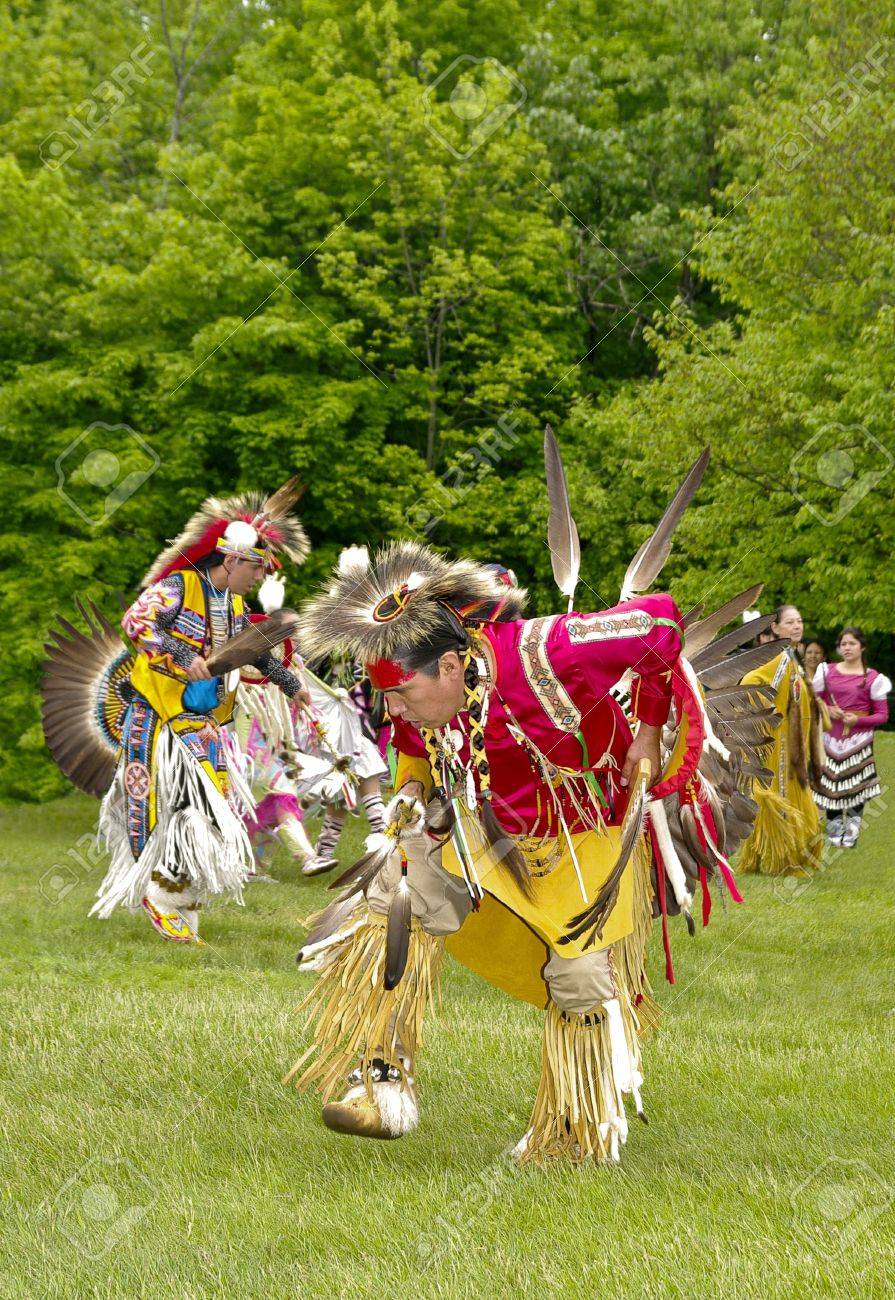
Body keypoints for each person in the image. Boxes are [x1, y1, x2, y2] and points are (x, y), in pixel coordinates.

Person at [286, 489, 775, 1166]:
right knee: (389, 903)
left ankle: (577, 1130)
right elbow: (409, 740)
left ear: (453, 665)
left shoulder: (549, 653)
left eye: (403, 691)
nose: (394, 707)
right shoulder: (417, 694)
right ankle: (381, 1082)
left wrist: (651, 728)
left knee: (577, 977)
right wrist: (404, 795)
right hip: (480, 820)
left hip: (583, 833)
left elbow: (659, 623)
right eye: (385, 695)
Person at [43, 482, 310, 942]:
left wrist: (291, 685)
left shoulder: (235, 605)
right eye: (255, 569)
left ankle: (181, 899)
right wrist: (180, 657)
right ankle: (159, 891)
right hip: (156, 716)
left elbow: (253, 652)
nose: (259, 578)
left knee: (213, 807)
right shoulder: (179, 586)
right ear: (231, 560)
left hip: (202, 720)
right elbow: (136, 621)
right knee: (160, 804)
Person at [737, 604, 824, 877]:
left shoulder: (791, 657)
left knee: (790, 791)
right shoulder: (776, 657)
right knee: (780, 792)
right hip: (778, 742)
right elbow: (752, 681)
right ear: (774, 628)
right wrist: (769, 714)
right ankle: (783, 857)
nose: (797, 626)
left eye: (799, 621)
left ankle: (785, 852)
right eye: (789, 622)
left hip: (793, 741)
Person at [812, 627, 891, 848]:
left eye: (852, 644)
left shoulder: (873, 678)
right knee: (831, 785)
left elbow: (883, 715)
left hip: (859, 740)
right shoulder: (826, 672)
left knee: (856, 785)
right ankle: (835, 833)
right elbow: (813, 700)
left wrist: (858, 721)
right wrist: (828, 709)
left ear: (862, 647)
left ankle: (852, 833)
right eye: (843, 644)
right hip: (830, 738)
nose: (846, 648)